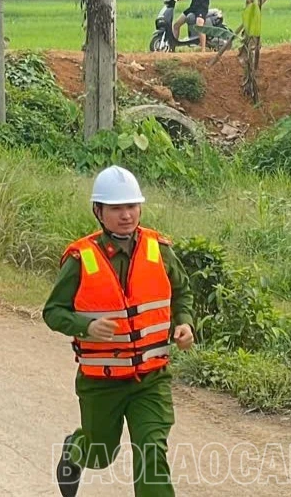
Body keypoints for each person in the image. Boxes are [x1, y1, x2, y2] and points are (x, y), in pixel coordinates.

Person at [48, 166, 195, 497]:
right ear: (99, 212)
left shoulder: (160, 249)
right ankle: (75, 449)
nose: (126, 215)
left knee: (151, 453)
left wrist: (184, 322)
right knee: (100, 454)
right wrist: (86, 326)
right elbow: (53, 312)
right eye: (116, 208)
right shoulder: (80, 258)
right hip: (102, 383)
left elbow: (182, 292)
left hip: (151, 380)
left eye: (132, 206)